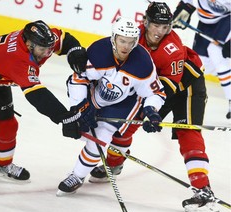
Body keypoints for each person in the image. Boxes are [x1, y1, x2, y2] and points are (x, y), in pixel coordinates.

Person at [89, 2, 219, 212]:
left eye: (165, 26)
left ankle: (203, 189)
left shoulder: (173, 47)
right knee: (129, 122)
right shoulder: (132, 36)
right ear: (145, 22)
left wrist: (153, 112)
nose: (160, 31)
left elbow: (168, 86)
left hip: (187, 85)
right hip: (155, 86)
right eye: (156, 25)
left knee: (187, 131)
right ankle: (113, 164)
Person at [0, 20, 92, 195]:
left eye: (49, 48)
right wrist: (64, 117)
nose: (47, 52)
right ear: (29, 44)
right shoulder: (17, 59)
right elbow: (37, 95)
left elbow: (64, 38)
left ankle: (4, 164)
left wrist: (74, 50)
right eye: (42, 49)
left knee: (7, 125)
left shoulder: (43, 40)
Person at [56, 16, 166, 196]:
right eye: (122, 41)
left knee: (100, 138)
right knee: (80, 128)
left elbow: (155, 93)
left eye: (131, 42)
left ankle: (76, 176)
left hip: (123, 104)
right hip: (95, 94)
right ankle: (114, 151)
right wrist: (80, 107)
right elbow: (78, 79)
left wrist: (151, 112)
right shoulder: (98, 51)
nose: (125, 46)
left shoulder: (143, 62)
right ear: (113, 38)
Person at [172, 0, 231, 119]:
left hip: (226, 19)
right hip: (206, 21)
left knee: (217, 53)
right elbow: (188, 3)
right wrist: (184, 9)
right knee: (201, 63)